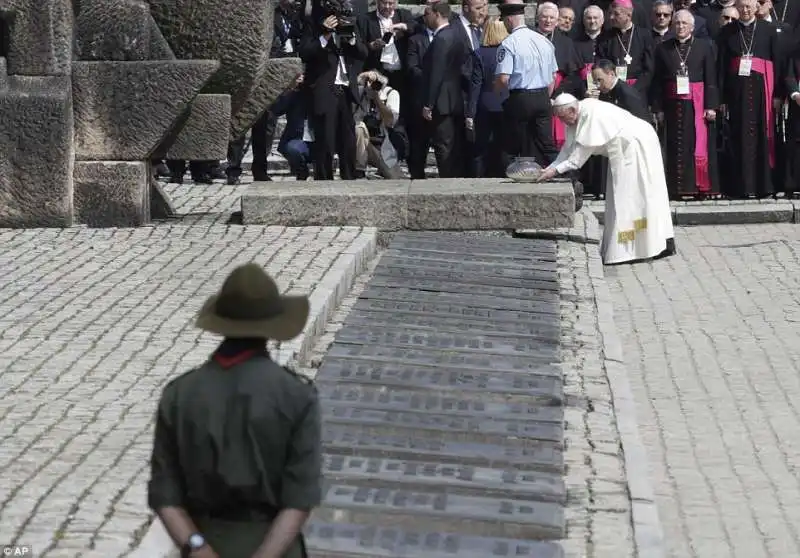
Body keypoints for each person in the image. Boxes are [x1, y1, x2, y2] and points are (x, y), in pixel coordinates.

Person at [147, 263, 321, 558]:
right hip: (275, 546)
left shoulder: (180, 394)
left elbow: (165, 495)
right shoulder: (297, 396)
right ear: (272, 329)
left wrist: (198, 548)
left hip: (205, 539)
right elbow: (299, 501)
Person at [538, 93, 675, 265]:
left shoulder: (591, 116)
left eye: (565, 118)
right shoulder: (577, 113)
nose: (564, 123)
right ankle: (639, 246)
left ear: (572, 110)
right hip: (625, 150)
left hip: (635, 147)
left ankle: (635, 249)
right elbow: (567, 150)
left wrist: (553, 172)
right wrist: (549, 168)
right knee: (624, 197)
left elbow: (576, 159)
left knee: (634, 198)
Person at [652, 9, 720, 198]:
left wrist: (711, 106)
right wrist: (657, 108)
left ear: (692, 26)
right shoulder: (663, 48)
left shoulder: (704, 47)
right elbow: (657, 81)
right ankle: (675, 188)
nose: (680, 26)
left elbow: (711, 78)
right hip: (672, 106)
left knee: (695, 145)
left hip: (696, 106)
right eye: (677, 23)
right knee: (673, 146)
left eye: (684, 23)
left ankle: (698, 187)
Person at [716, 0, 781, 197]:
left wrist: (777, 94)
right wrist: (721, 98)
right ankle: (740, 187)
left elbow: (777, 62)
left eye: (748, 6)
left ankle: (764, 186)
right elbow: (721, 67)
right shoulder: (727, 32)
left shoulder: (769, 30)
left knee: (763, 136)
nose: (745, 10)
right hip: (737, 95)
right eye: (741, 6)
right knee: (738, 137)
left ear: (756, 7)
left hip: (763, 92)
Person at [299, 12, 368, 180]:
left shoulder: (350, 21)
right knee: (326, 142)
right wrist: (325, 34)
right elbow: (305, 52)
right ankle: (324, 181)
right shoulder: (313, 23)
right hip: (324, 90)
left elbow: (363, 53)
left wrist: (351, 38)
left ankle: (349, 179)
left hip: (345, 90)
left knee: (348, 141)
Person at [495, 0, 559, 167]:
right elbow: (553, 76)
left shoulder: (509, 43)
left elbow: (503, 78)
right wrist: (545, 96)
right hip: (543, 95)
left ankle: (506, 179)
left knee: (510, 144)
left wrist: (498, 93)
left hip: (520, 97)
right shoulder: (545, 41)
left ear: (508, 20)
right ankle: (567, 173)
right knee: (546, 144)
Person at [421, 1, 471, 177]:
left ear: (437, 14)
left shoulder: (441, 38)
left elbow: (437, 73)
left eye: (428, 14)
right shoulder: (457, 35)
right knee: (453, 145)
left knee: (443, 145)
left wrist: (429, 104)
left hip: (442, 101)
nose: (426, 18)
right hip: (456, 98)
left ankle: (447, 180)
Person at [534, 2, 582, 150]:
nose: (548, 21)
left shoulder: (566, 42)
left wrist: (556, 95)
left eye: (552, 18)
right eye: (544, 17)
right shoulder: (529, 37)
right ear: (537, 18)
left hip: (557, 97)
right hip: (533, 96)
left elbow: (573, 74)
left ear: (557, 20)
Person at [468, 18, 509, 177]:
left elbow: (475, 84)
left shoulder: (479, 53)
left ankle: (478, 180)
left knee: (481, 148)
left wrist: (470, 112)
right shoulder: (509, 52)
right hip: (506, 102)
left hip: (484, 104)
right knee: (504, 146)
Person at [596, 0, 656, 97]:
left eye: (616, 14)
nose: (611, 17)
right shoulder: (605, 37)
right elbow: (602, 65)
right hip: (613, 92)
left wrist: (633, 90)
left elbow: (649, 69)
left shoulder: (645, 35)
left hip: (638, 92)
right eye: (610, 13)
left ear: (629, 14)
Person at [354, 70, 405, 178]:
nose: (372, 86)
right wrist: (363, 77)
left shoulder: (391, 93)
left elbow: (390, 121)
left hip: (382, 147)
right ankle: (359, 171)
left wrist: (376, 98)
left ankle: (382, 169)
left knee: (397, 180)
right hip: (361, 143)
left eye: (377, 83)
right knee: (359, 127)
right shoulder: (360, 92)